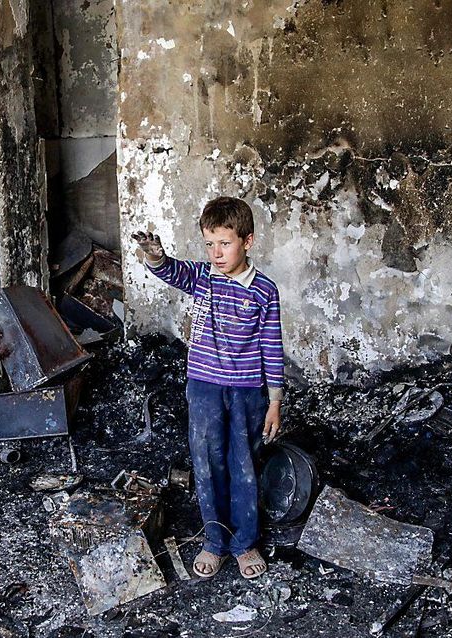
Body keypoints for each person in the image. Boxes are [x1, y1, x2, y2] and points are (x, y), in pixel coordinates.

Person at [132, 196, 284, 580]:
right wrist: (155, 257)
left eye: (225, 243)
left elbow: (271, 345)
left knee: (243, 465)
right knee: (207, 462)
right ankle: (215, 541)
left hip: (248, 391)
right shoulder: (203, 277)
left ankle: (244, 543)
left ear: (247, 242)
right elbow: (171, 271)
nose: (216, 253)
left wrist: (275, 401)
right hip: (204, 388)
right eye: (209, 244)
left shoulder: (265, 291)